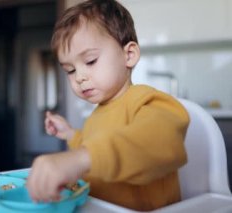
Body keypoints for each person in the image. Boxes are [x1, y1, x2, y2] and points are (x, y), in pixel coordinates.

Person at [26, 0, 190, 211]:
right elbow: (97, 148)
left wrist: (80, 159)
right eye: (70, 70)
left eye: (91, 61)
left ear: (128, 55)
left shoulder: (147, 101)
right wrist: (70, 135)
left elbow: (161, 143)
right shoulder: (98, 113)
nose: (80, 77)